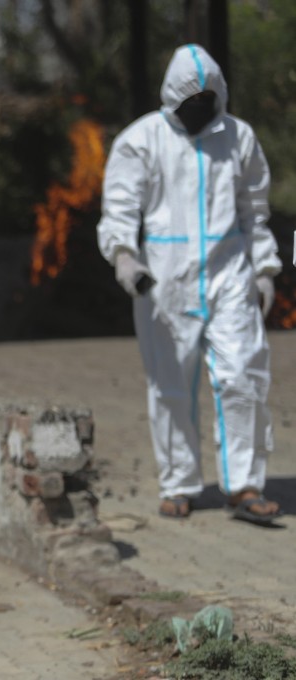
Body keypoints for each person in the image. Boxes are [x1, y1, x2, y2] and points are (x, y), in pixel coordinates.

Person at [97, 44, 283, 525]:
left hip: (230, 277)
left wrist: (265, 269)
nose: (199, 108)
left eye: (207, 98)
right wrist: (124, 258)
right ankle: (179, 483)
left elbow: (256, 213)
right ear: (172, 98)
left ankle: (244, 485)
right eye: (190, 100)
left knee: (244, 377)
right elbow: (119, 211)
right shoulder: (141, 140)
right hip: (165, 283)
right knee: (171, 386)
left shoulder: (238, 138)